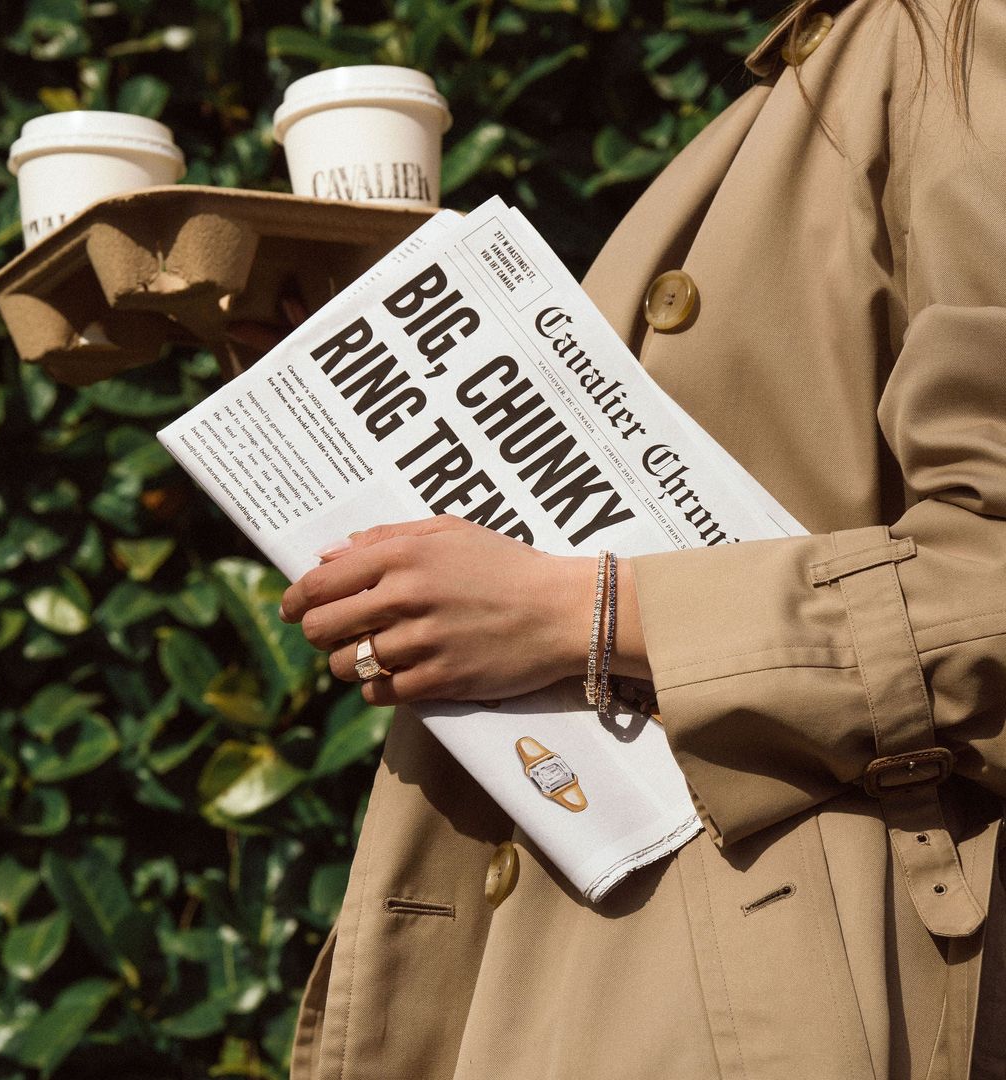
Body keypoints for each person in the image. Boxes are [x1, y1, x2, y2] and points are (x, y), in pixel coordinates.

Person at [278, 0, 1006, 1075]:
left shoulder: (954, 37)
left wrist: (591, 614)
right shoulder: (805, 80)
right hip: (599, 962)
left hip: (751, 980)